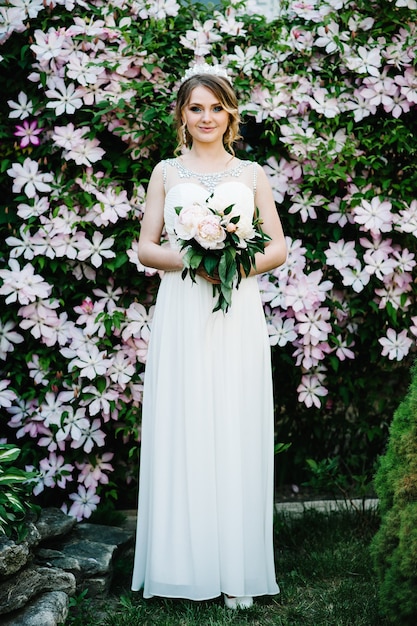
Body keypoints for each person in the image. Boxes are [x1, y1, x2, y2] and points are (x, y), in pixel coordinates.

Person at [131, 62, 287, 610]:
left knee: (232, 419)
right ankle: (180, 565)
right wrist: (192, 260)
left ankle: (234, 568)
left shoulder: (251, 176)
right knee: (187, 419)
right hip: (182, 307)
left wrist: (234, 265)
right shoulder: (166, 173)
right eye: (196, 107)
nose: (206, 117)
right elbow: (147, 247)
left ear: (230, 113)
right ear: (182, 114)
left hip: (235, 309)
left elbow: (278, 248)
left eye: (215, 107)